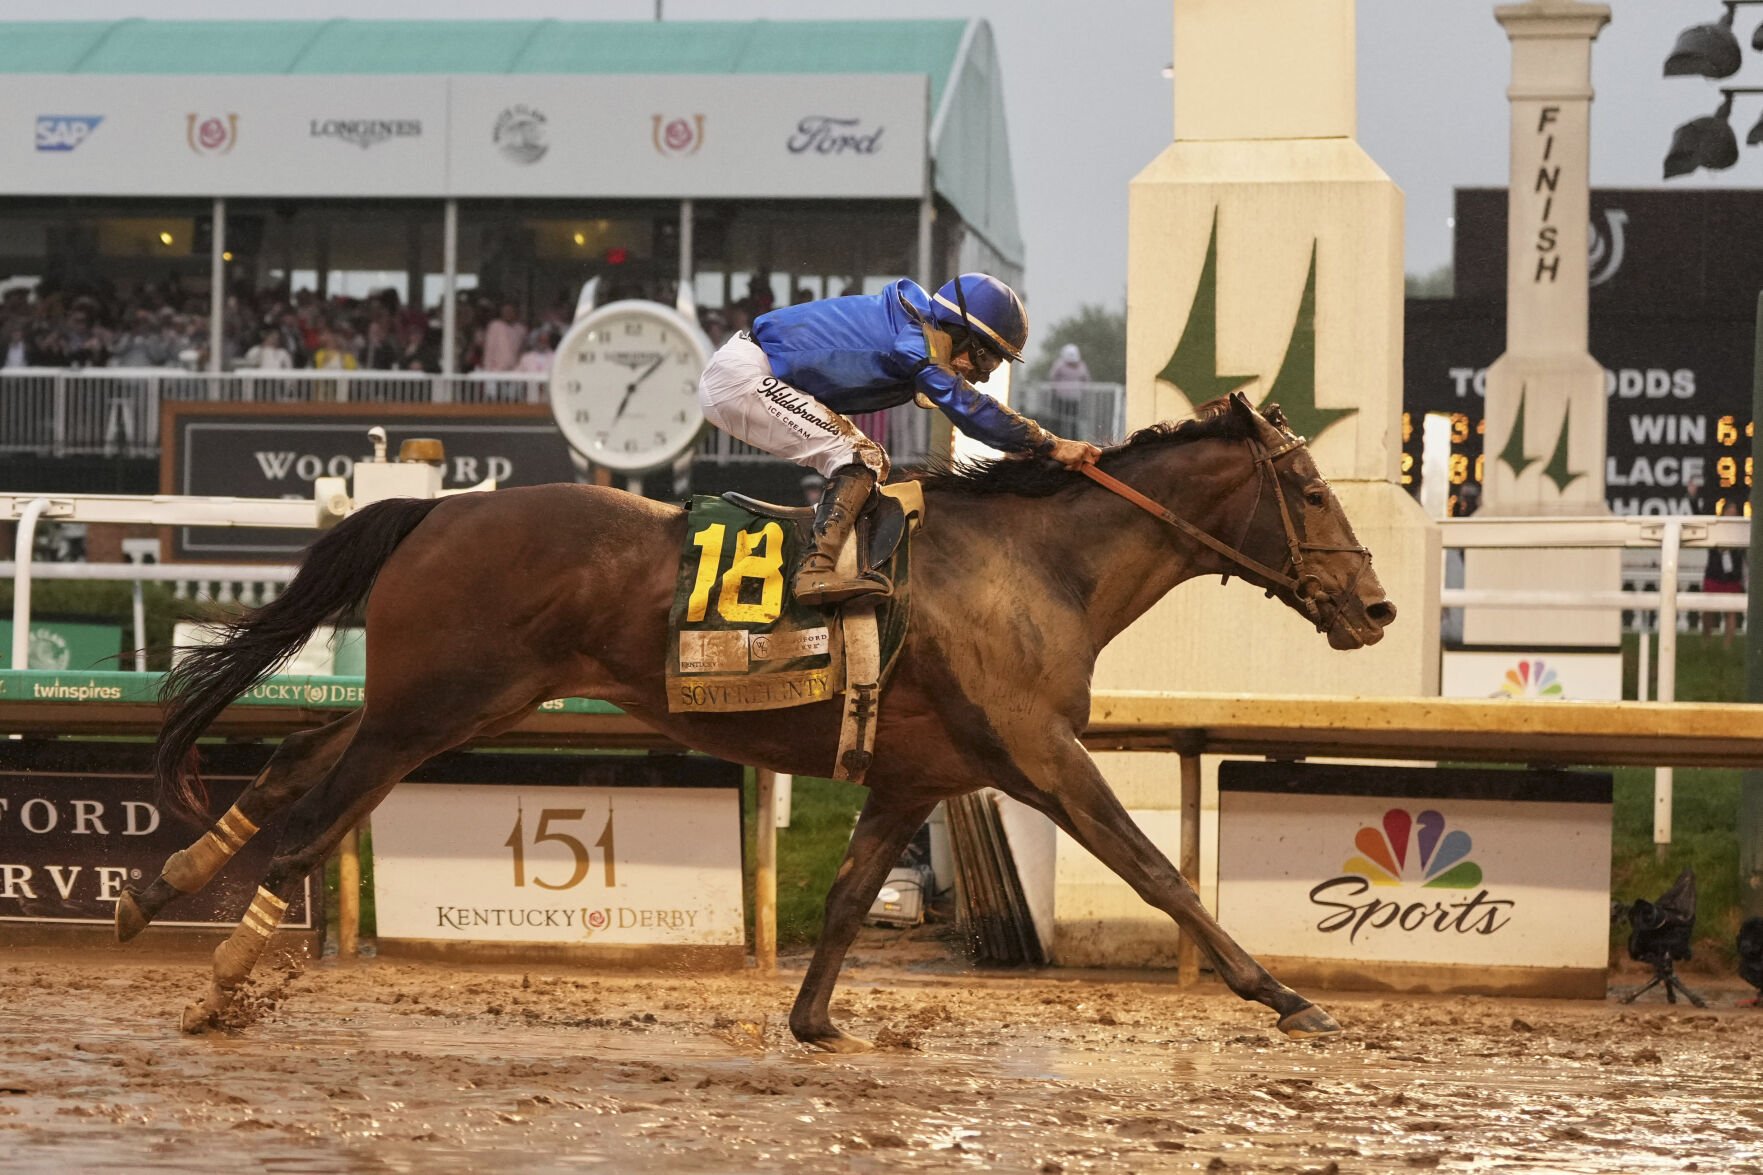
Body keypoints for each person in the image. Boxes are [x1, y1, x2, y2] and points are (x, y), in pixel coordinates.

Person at [696, 272, 1101, 606]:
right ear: (960, 332)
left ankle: (835, 562)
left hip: (748, 368)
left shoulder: (917, 328)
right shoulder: (915, 345)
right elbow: (971, 412)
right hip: (741, 377)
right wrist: (1049, 443)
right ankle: (814, 572)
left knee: (873, 461)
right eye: (986, 357)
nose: (986, 373)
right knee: (859, 457)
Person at [1046, 342, 1091, 436]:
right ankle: (1056, 438)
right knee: (1058, 420)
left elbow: (1086, 379)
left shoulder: (1082, 365)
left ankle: (1074, 439)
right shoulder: (1059, 364)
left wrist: (1083, 389)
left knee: (1073, 421)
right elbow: (1052, 377)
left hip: (1074, 399)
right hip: (1060, 399)